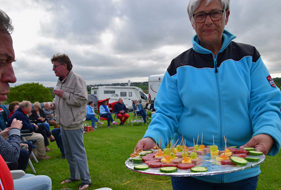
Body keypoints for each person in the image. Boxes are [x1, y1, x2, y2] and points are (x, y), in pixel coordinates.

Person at [134, 0, 281, 189]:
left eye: (215, 13)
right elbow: (166, 113)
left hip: (241, 171)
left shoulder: (249, 57)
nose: (208, 21)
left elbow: (265, 103)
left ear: (226, 16)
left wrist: (267, 132)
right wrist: (152, 137)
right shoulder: (177, 67)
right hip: (189, 174)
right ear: (191, 21)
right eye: (200, 15)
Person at [0, 9, 52, 189]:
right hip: (22, 136)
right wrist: (14, 131)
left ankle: (47, 144)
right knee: (37, 136)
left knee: (45, 127)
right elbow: (10, 154)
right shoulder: (18, 116)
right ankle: (44, 150)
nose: (13, 78)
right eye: (0, 62)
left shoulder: (25, 114)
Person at [51, 53, 91, 190]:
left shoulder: (77, 79)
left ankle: (86, 180)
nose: (53, 69)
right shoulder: (60, 80)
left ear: (64, 66)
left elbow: (82, 99)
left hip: (74, 124)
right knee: (68, 153)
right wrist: (53, 104)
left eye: (55, 66)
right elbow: (59, 98)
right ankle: (74, 176)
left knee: (78, 153)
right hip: (64, 123)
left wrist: (64, 95)